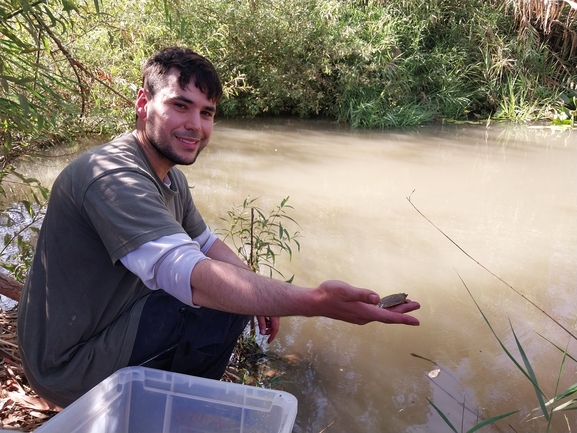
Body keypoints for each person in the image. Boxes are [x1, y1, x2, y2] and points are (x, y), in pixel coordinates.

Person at [17, 47, 420, 408]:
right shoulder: (112, 175)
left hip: (110, 326)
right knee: (215, 300)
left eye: (206, 113)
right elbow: (190, 274)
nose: (196, 125)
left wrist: (263, 293)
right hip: (69, 367)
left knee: (236, 292)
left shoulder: (171, 178)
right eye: (180, 105)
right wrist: (312, 301)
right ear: (144, 104)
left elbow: (206, 243)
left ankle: (175, 405)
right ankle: (180, 411)